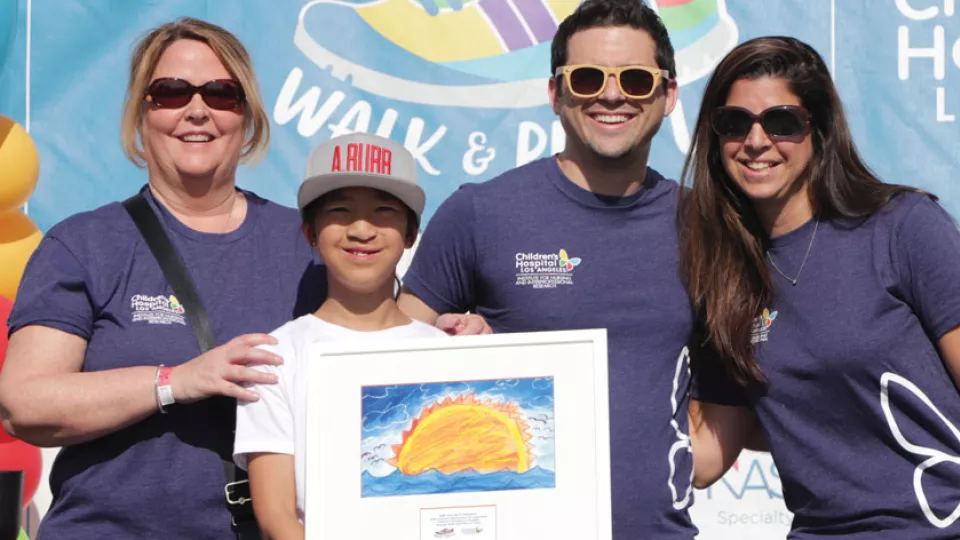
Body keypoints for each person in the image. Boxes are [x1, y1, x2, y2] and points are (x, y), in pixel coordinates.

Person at [0, 18, 482, 539]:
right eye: (171, 92)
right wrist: (176, 381)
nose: (197, 109)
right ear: (141, 113)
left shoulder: (312, 243)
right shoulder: (85, 243)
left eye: (221, 93)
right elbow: (24, 404)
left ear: (247, 116)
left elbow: (377, 355)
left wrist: (445, 349)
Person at [399, 1, 700, 537]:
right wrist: (444, 346)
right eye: (586, 79)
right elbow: (388, 366)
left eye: (635, 78)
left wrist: (662, 468)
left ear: (668, 95)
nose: (611, 95)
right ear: (556, 94)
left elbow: (736, 396)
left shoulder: (707, 227)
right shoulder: (480, 212)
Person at [681, 36, 960, 539]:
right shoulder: (724, 276)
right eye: (735, 123)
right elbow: (704, 458)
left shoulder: (902, 228)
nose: (757, 141)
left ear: (820, 130)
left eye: (783, 121)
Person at [233, 133, 448, 538]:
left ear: (410, 234)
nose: (362, 229)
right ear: (310, 232)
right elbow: (277, 515)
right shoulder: (275, 358)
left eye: (384, 211)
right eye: (340, 211)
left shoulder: (449, 353)